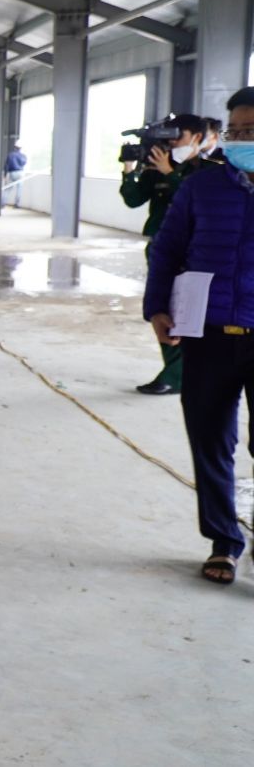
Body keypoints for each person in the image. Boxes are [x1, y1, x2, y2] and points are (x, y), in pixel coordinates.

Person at [143, 87, 254, 586]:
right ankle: (224, 541)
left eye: (252, 131)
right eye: (236, 131)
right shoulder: (202, 186)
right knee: (210, 440)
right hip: (208, 334)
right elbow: (167, 248)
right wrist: (157, 308)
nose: (242, 139)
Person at [120, 113, 213, 396]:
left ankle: (178, 374)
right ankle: (175, 372)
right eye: (168, 137)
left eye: (177, 136)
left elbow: (199, 204)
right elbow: (133, 199)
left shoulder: (208, 170)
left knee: (189, 312)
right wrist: (129, 167)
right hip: (161, 247)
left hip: (194, 250)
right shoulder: (158, 166)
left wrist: (170, 174)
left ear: (197, 137)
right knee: (161, 309)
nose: (172, 143)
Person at [3, 141, 27, 208]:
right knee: (19, 189)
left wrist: (5, 175)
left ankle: (2, 203)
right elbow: (24, 163)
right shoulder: (23, 156)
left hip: (12, 173)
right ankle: (17, 204)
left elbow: (6, 166)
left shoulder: (10, 155)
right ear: (20, 148)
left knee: (7, 189)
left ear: (14, 147)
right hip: (20, 173)